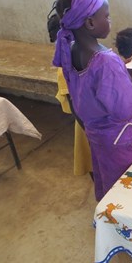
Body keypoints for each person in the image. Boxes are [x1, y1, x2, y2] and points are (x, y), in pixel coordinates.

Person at [51, 0, 132, 201]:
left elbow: (86, 93)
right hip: (119, 138)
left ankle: (107, 215)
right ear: (90, 23)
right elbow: (124, 108)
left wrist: (122, 73)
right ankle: (123, 225)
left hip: (96, 134)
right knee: (125, 186)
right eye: (107, 15)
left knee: (107, 176)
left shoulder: (71, 49)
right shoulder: (105, 61)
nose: (110, 20)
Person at [47, 13, 92, 177]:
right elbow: (74, 105)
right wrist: (91, 132)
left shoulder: (84, 56)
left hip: (94, 123)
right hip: (87, 126)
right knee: (95, 164)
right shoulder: (65, 69)